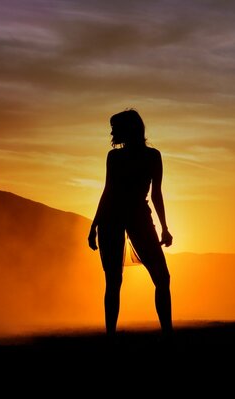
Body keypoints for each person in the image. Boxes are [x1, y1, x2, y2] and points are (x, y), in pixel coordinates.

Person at [88, 108, 173, 338]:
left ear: (128, 129)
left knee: (158, 277)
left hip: (131, 217)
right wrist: (94, 225)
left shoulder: (147, 156)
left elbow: (155, 194)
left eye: (115, 128)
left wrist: (164, 227)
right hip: (120, 218)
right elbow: (108, 191)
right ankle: (113, 336)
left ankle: (165, 333)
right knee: (116, 280)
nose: (112, 132)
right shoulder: (120, 157)